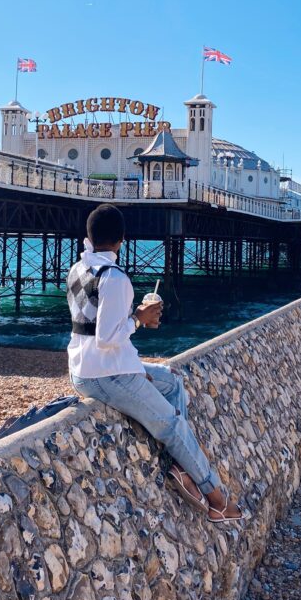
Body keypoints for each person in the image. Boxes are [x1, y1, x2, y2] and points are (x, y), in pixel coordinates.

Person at [67, 204, 242, 523]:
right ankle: (216, 498)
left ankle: (180, 464)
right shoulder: (115, 278)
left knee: (172, 381)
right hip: (107, 374)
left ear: (91, 236)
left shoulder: (79, 269)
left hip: (84, 368)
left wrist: (133, 328)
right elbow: (108, 338)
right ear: (122, 239)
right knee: (172, 423)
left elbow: (95, 331)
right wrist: (140, 318)